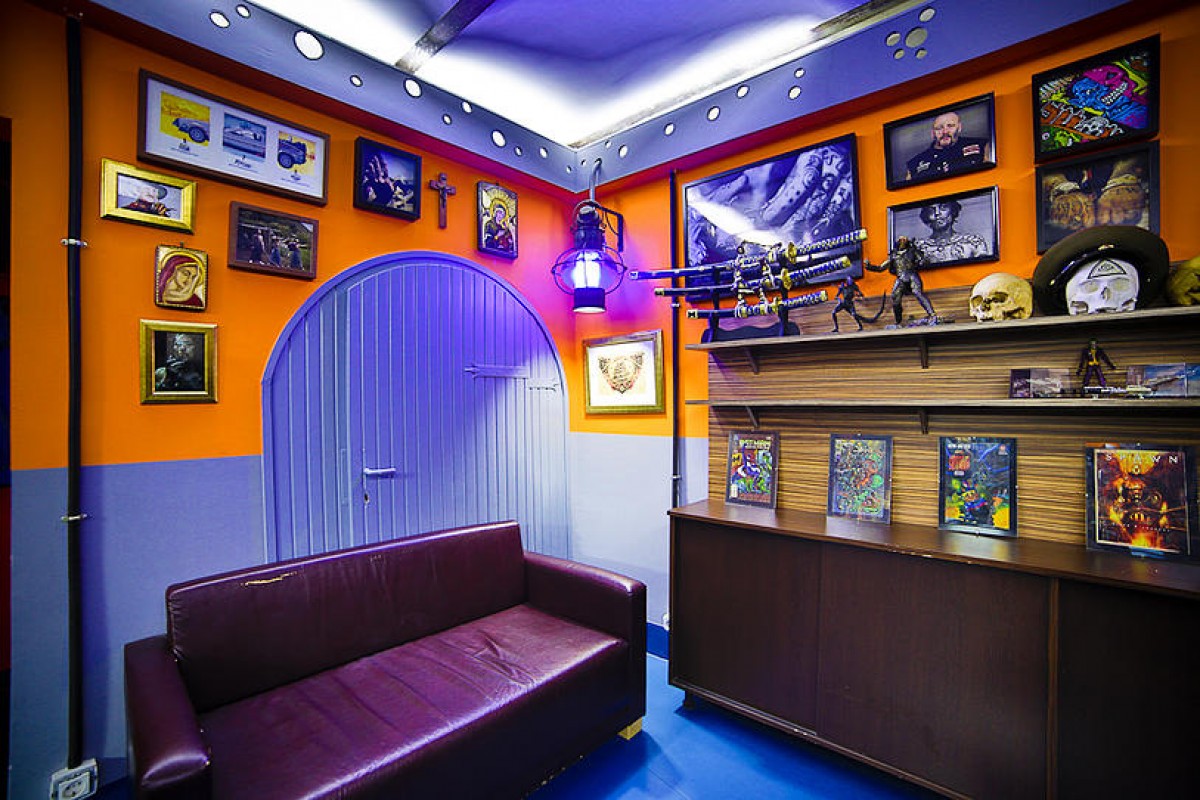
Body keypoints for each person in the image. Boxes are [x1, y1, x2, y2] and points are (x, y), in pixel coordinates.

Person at [866, 236, 937, 326]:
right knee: (895, 297)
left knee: (918, 292)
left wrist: (922, 261)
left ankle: (932, 315)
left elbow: (922, 259)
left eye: (904, 240)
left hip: (911, 275)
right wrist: (869, 266)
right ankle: (898, 321)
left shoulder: (912, 251)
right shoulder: (894, 255)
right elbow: (881, 268)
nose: (902, 241)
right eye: (901, 240)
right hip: (901, 278)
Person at [904, 111, 990, 182]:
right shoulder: (915, 163)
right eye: (939, 128)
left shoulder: (981, 146)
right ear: (933, 133)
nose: (945, 132)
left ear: (959, 128)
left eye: (950, 126)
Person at [914, 199, 990, 263]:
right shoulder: (918, 246)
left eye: (943, 207)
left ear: (953, 211)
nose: (937, 213)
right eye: (931, 210)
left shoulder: (973, 241)